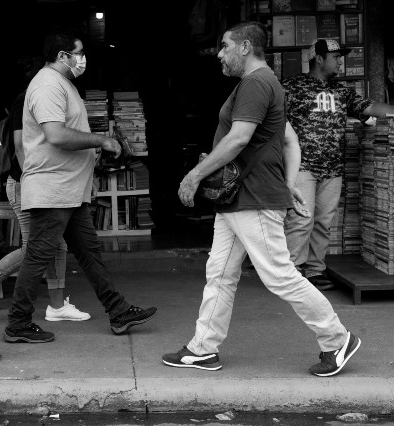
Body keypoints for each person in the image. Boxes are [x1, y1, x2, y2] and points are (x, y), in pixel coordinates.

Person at [161, 22, 360, 377]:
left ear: (245, 47)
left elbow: (239, 139)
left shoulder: (255, 83)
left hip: (252, 197)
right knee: (220, 273)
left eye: (224, 47)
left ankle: (336, 338)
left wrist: (194, 175)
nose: (219, 54)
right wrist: (289, 184)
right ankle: (203, 348)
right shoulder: (268, 84)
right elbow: (289, 141)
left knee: (279, 275)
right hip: (241, 198)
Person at [3, 30, 157, 343]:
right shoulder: (47, 85)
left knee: (88, 252)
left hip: (69, 190)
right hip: (53, 190)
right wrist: (100, 140)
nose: (82, 58)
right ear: (63, 56)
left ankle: (118, 312)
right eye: (79, 52)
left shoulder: (63, 84)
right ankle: (17, 323)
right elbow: (57, 136)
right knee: (38, 256)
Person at [0, 59, 90, 324]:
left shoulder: (42, 97)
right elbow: (21, 147)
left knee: (56, 244)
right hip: (26, 183)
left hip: (36, 182)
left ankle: (56, 306)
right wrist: (32, 181)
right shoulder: (29, 98)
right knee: (35, 246)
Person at [282, 38, 394, 291]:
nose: (341, 61)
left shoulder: (342, 92)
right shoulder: (291, 86)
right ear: (319, 59)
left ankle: (314, 271)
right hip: (302, 167)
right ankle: (291, 273)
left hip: (333, 169)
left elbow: (371, 107)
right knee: (301, 220)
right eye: (336, 57)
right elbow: (271, 118)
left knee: (323, 222)